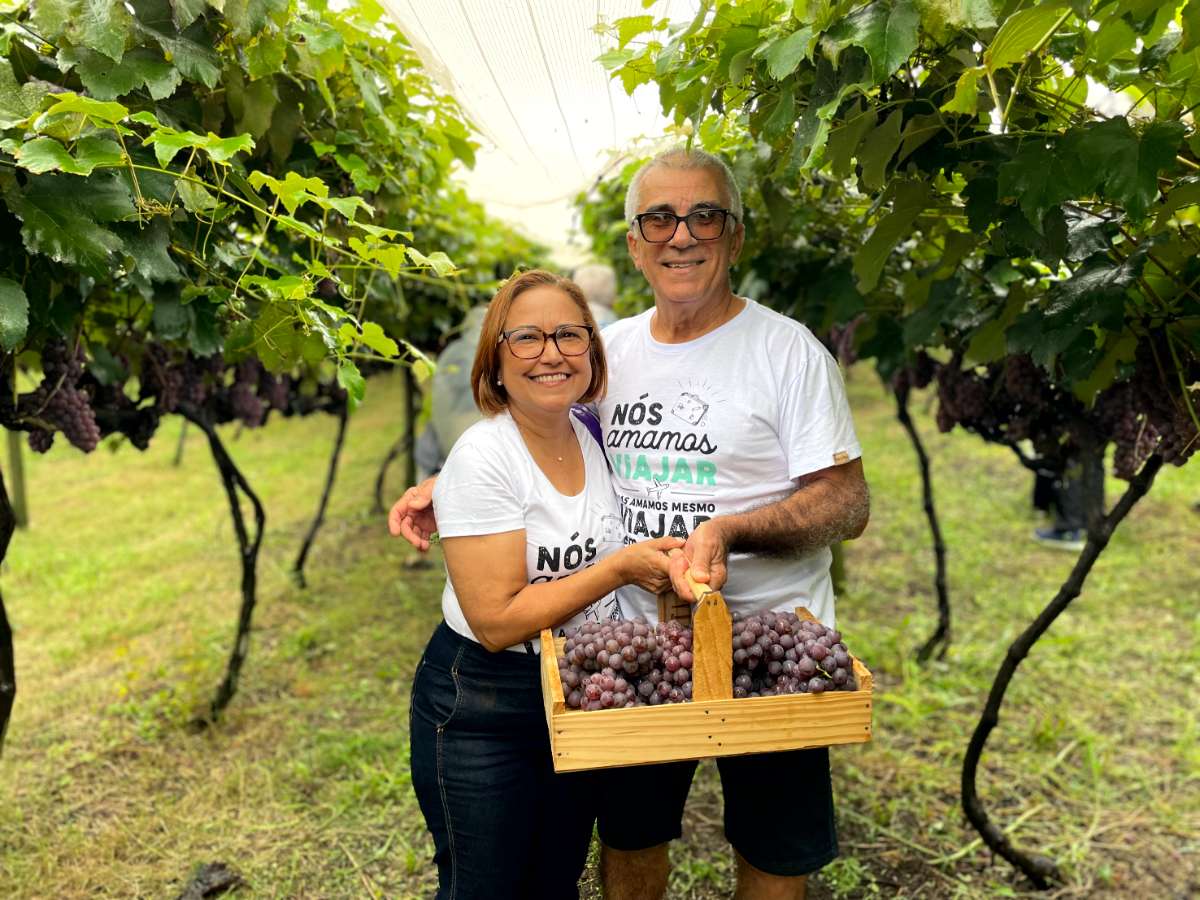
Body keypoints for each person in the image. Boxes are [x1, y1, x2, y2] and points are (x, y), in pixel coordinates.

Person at [392, 148, 870, 900]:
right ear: (635, 245)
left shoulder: (788, 353)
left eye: (704, 216)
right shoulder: (608, 353)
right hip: (639, 652)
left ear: (735, 236)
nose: (681, 235)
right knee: (631, 837)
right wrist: (451, 484)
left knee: (775, 851)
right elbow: (543, 434)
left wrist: (730, 532)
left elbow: (846, 502)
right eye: (659, 219)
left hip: (772, 654)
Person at [407, 269, 682, 900]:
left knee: (555, 881)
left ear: (591, 349)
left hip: (578, 688)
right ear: (496, 361)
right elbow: (496, 622)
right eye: (527, 337)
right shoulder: (484, 455)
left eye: (568, 334)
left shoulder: (592, 434)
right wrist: (617, 569)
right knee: (486, 889)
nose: (551, 353)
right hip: (486, 702)